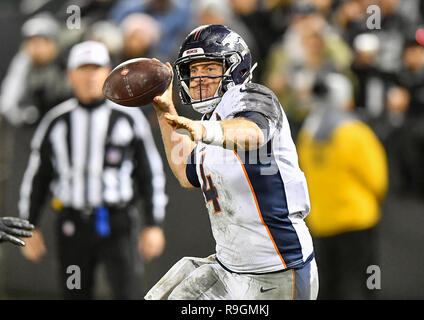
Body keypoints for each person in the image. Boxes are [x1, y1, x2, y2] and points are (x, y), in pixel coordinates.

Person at [143, 24, 318, 300]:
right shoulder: (210, 122)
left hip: (278, 272)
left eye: (209, 69)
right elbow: (186, 173)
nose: (199, 78)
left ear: (235, 68)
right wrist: (166, 112)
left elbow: (252, 132)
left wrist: (204, 132)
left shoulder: (254, 97)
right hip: (229, 268)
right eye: (194, 70)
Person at [18, 41, 168, 299]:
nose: (90, 77)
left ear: (107, 74)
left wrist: (153, 223)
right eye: (83, 70)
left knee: (127, 292)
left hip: (117, 222)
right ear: (71, 75)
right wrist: (27, 226)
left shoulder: (128, 118)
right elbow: (37, 176)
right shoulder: (56, 121)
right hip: (72, 224)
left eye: (96, 69)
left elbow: (149, 172)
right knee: (75, 293)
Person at [297, 72, 388, 299]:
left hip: (322, 222)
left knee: (329, 282)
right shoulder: (355, 132)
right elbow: (377, 178)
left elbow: (301, 176)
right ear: (346, 98)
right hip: (357, 218)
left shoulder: (307, 135)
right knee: (368, 275)